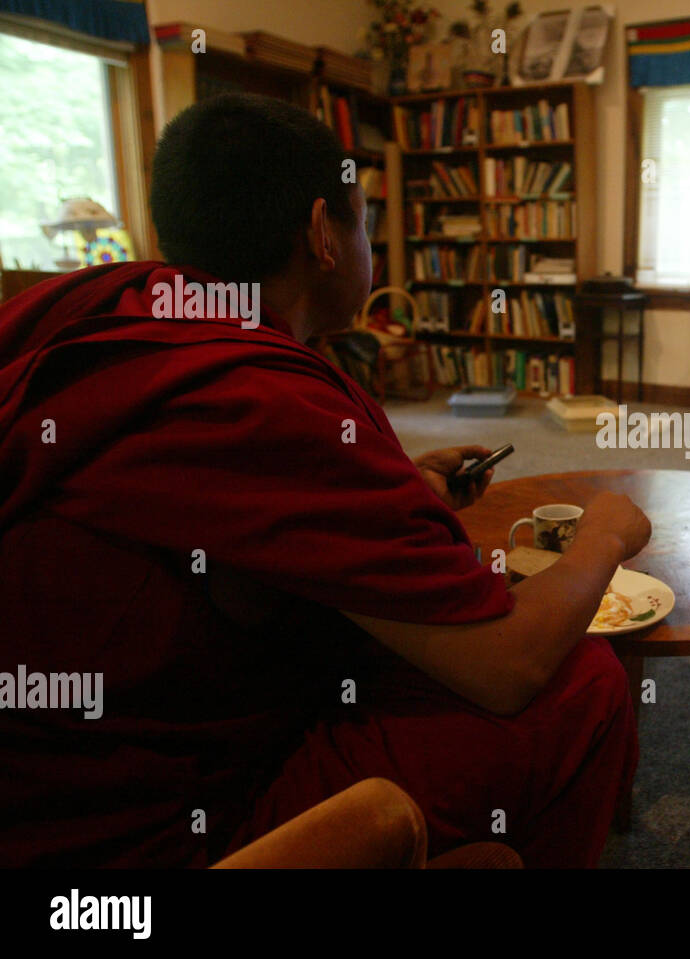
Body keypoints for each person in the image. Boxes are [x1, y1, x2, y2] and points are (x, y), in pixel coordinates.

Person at [0, 93, 650, 868]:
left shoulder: (100, 305)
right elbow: (507, 665)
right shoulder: (266, 402)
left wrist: (390, 489)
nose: (371, 242)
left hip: (40, 776)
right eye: (365, 221)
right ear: (322, 233)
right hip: (137, 837)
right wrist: (604, 533)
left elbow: (232, 522)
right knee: (576, 683)